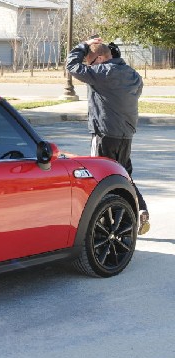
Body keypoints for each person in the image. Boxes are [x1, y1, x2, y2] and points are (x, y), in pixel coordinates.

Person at [66, 37, 150, 235]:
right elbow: (135, 92)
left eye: (90, 62)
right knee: (124, 175)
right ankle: (139, 208)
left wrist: (84, 45)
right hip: (126, 134)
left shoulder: (102, 73)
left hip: (105, 132)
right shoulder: (133, 74)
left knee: (100, 179)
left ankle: (102, 224)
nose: (88, 67)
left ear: (101, 58)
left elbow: (71, 64)